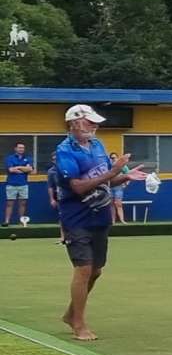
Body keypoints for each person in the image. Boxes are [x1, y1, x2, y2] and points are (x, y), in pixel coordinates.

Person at [49, 104, 137, 341]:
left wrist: (124, 176)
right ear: (74, 123)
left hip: (100, 215)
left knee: (96, 270)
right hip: (75, 217)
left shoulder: (98, 145)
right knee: (84, 268)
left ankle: (70, 314)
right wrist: (113, 172)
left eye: (95, 122)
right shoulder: (65, 151)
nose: (94, 126)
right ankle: (79, 324)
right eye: (89, 122)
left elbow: (104, 181)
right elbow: (77, 186)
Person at [5, 141, 30, 226]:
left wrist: (18, 167)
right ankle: (7, 221)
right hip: (11, 184)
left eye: (23, 148)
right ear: (15, 148)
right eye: (19, 148)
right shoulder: (10, 158)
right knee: (9, 203)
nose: (21, 149)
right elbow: (11, 170)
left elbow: (30, 170)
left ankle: (22, 222)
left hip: (23, 184)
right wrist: (24, 168)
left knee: (23, 203)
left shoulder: (28, 158)